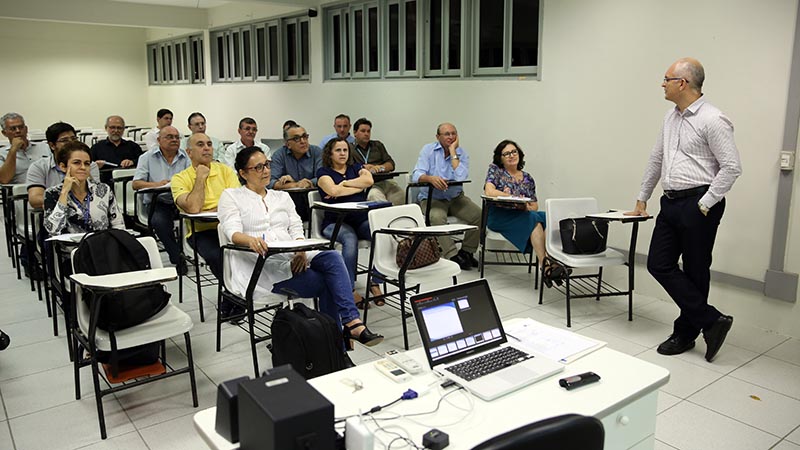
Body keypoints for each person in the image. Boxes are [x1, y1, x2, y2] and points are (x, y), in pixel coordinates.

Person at [629, 57, 742, 363]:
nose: (662, 84)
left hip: (699, 202)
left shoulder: (713, 119)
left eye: (666, 79)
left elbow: (732, 167)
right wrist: (643, 196)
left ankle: (685, 333)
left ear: (683, 83)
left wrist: (705, 203)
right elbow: (656, 158)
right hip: (671, 201)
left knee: (695, 270)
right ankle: (712, 320)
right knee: (658, 263)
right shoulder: (670, 117)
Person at [217, 146, 383, 352]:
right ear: (243, 173)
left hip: (291, 255)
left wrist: (301, 250)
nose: (266, 171)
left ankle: (350, 326)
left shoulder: (281, 197)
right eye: (258, 167)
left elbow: (296, 227)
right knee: (328, 282)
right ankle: (341, 343)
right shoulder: (232, 196)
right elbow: (232, 231)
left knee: (332, 256)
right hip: (259, 266)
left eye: (267, 165)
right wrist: (250, 240)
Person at [171, 133, 243, 318]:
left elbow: (238, 203)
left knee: (247, 252)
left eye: (209, 144)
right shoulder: (180, 178)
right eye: (200, 144)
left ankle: (230, 297)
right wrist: (200, 177)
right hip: (201, 231)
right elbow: (194, 207)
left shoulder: (225, 171)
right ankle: (236, 297)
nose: (207, 148)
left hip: (229, 227)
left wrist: (212, 208)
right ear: (189, 152)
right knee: (219, 255)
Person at [483, 140, 566, 286]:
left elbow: (534, 205)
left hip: (522, 214)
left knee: (548, 217)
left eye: (514, 152)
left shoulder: (528, 178)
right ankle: (545, 265)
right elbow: (489, 191)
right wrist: (512, 198)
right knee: (533, 218)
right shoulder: (495, 170)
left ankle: (551, 261)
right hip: (499, 216)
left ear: (519, 154)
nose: (511, 155)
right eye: (506, 153)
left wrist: (523, 207)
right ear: (500, 158)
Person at [316, 138, 382, 308]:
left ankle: (375, 281)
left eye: (345, 150)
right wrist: (356, 187)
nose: (343, 154)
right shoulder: (323, 172)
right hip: (335, 223)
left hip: (359, 219)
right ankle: (349, 289)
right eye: (338, 150)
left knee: (380, 235)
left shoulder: (356, 168)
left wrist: (344, 183)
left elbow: (369, 182)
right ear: (330, 153)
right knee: (350, 240)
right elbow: (332, 190)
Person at [411, 122, 481, 270]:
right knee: (437, 218)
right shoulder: (428, 150)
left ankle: (467, 252)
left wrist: (452, 151)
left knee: (479, 215)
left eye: (453, 133)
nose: (451, 136)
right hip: (432, 198)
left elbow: (461, 176)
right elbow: (416, 174)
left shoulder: (461, 153)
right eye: (447, 134)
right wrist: (431, 179)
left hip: (456, 198)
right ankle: (453, 255)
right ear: (438, 137)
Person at [133, 125, 190, 272]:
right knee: (160, 222)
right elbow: (136, 184)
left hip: (181, 200)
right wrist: (156, 184)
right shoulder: (146, 157)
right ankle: (178, 257)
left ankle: (195, 253)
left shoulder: (186, 157)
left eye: (177, 137)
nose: (174, 140)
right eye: (169, 137)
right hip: (158, 201)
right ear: (159, 140)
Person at [43, 141, 124, 236]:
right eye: (76, 163)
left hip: (101, 247)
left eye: (87, 163)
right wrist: (64, 193)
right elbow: (53, 230)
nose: (83, 167)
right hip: (70, 249)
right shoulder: (52, 193)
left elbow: (118, 224)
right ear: (63, 167)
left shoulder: (103, 189)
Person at [27, 122, 101, 209]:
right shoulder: (38, 167)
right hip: (52, 216)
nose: (71, 143)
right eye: (64, 140)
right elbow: (35, 200)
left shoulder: (89, 165)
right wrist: (66, 199)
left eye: (74, 139)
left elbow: (97, 194)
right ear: (52, 145)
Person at [269, 123, 323, 221]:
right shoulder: (279, 155)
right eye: (297, 139)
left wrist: (307, 183)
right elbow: (271, 182)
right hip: (288, 203)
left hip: (312, 202)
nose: (303, 141)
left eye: (305, 136)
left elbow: (322, 177)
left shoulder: (317, 152)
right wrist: (296, 184)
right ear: (287, 144)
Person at [351, 117, 404, 205]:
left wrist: (380, 167)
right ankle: (384, 218)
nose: (366, 134)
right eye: (363, 131)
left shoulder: (377, 145)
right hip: (369, 184)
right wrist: (363, 167)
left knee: (401, 194)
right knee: (374, 196)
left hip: (385, 180)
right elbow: (349, 168)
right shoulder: (350, 149)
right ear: (355, 132)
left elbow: (391, 164)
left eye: (368, 131)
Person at [90, 115, 143, 184]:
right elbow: (88, 167)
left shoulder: (133, 146)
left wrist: (132, 162)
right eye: (112, 127)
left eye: (119, 128)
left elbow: (143, 163)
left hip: (130, 184)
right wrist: (95, 166)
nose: (116, 130)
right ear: (106, 128)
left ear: (124, 129)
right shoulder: (96, 148)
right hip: (105, 184)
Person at [0, 112, 50, 184]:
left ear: (26, 129)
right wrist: (13, 150)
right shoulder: (1, 153)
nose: (18, 131)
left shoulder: (45, 147)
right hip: (19, 193)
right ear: (4, 133)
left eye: (21, 127)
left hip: (46, 189)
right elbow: (4, 179)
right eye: (13, 129)